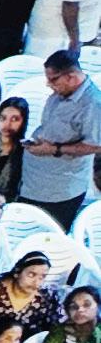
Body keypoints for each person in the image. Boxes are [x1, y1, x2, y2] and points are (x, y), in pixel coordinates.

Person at [20, 49, 101, 234]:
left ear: (71, 77)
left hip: (58, 190)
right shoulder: (61, 93)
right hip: (33, 180)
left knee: (43, 235)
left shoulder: (93, 105)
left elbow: (97, 145)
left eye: (53, 80)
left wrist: (55, 149)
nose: (49, 85)